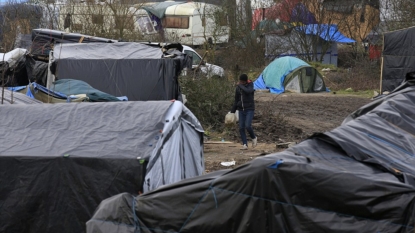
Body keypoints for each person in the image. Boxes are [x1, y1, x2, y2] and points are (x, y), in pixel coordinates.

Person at [231, 74, 257, 150]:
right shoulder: (238, 88)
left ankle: (254, 137)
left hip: (249, 109)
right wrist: (232, 111)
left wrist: (240, 86)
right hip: (241, 110)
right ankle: (245, 144)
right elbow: (236, 100)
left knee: (248, 125)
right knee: (241, 127)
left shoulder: (250, 85)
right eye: (240, 81)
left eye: (242, 81)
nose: (240, 82)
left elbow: (248, 91)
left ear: (245, 81)